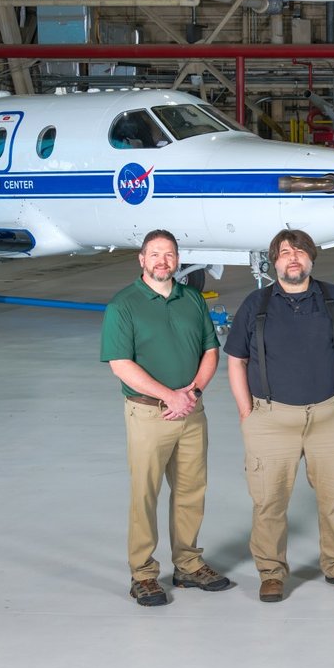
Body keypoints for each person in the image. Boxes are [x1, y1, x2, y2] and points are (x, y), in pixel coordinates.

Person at [224, 228, 334, 603]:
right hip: (271, 421)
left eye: (300, 251)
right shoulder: (256, 304)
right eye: (285, 252)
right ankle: (271, 572)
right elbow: (236, 360)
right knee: (269, 500)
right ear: (274, 262)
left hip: (332, 416)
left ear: (311, 259)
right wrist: (246, 412)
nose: (293, 257)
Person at [100, 229, 232, 607]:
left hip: (191, 411)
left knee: (192, 490)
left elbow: (210, 349)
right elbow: (120, 364)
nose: (162, 261)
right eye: (154, 254)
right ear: (141, 260)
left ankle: (188, 564)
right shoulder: (123, 305)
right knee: (145, 493)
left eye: (169, 254)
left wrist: (192, 394)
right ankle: (142, 574)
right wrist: (169, 396)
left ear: (177, 259)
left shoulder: (191, 298)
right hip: (148, 413)